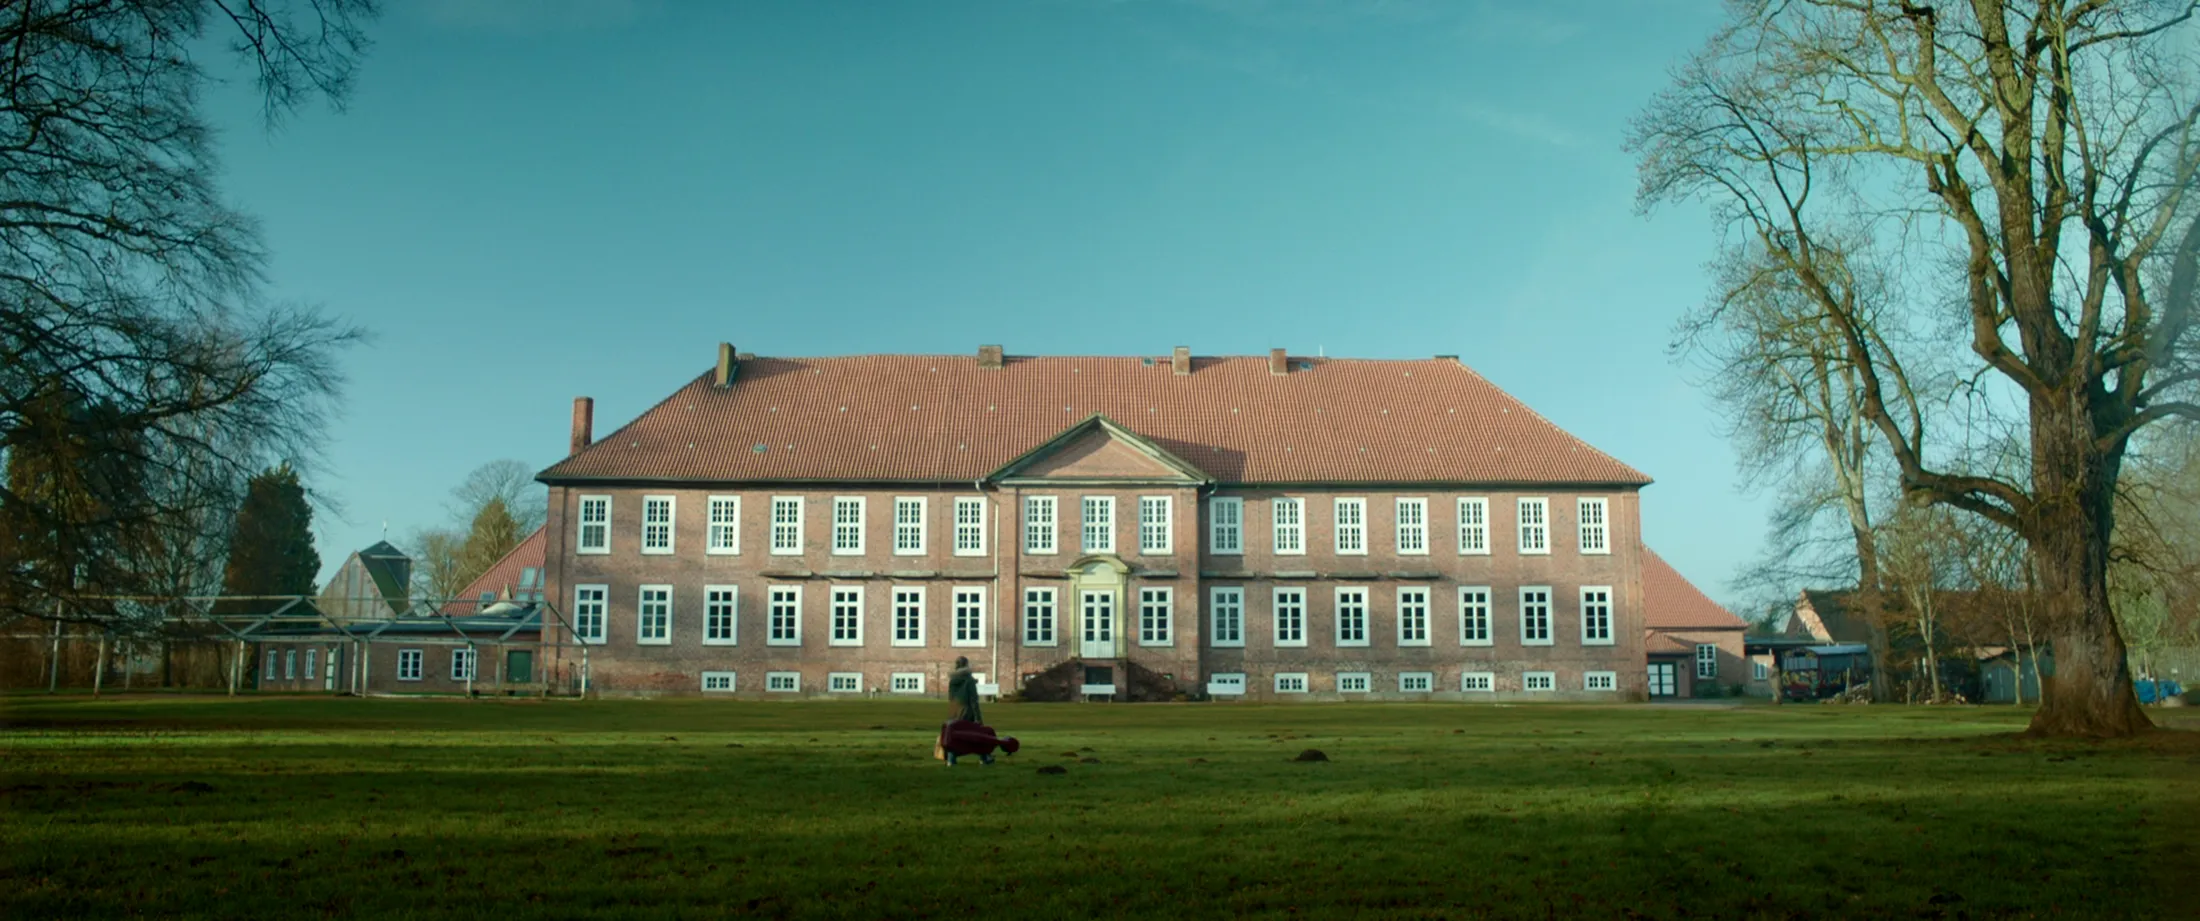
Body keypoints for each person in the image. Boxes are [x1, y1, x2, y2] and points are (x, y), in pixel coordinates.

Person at [947, 655, 981, 725]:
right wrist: (978, 719)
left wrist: (952, 716)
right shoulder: (969, 680)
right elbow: (973, 701)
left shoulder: (952, 680)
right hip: (967, 714)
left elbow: (951, 699)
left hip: (955, 712)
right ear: (966, 664)